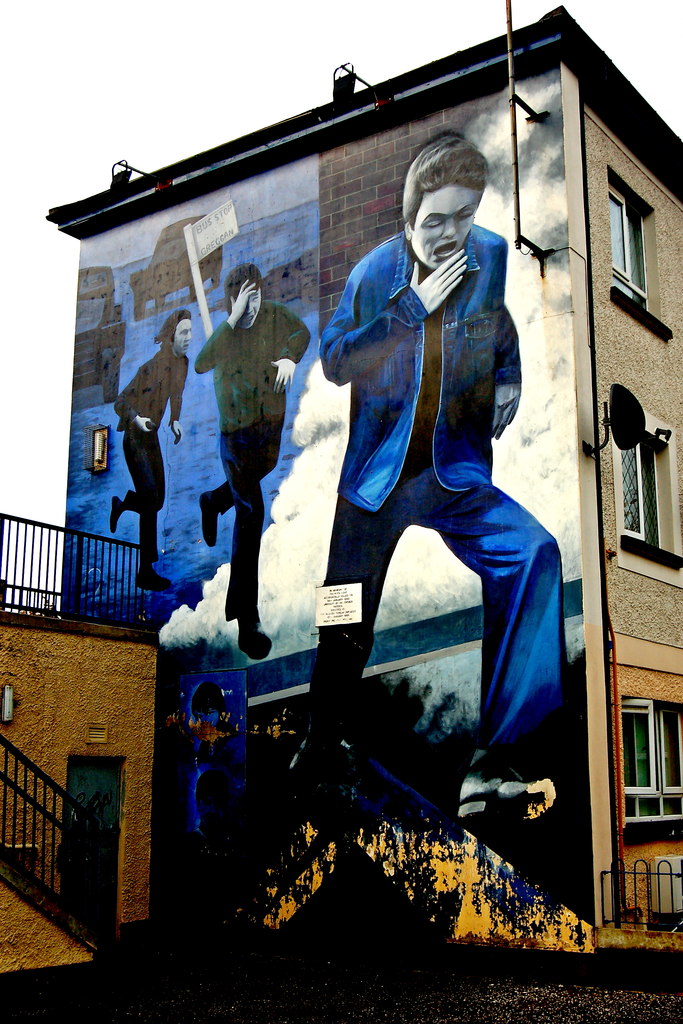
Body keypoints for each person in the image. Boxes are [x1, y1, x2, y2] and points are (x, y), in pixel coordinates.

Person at [297, 132, 566, 817]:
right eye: (434, 221)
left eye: (462, 216)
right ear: (407, 218)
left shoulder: (490, 257)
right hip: (376, 480)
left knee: (533, 553)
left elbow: (496, 324)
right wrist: (409, 310)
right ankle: (320, 744)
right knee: (343, 612)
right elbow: (333, 360)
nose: (450, 235)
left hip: (452, 471)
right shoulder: (372, 275)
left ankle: (492, 761)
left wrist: (508, 374)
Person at [195, 263, 310, 661]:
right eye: (246, 298)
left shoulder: (275, 315)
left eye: (257, 295)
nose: (254, 305)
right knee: (251, 512)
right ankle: (248, 619)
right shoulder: (226, 336)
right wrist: (232, 317)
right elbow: (201, 362)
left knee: (256, 481)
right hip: (235, 437)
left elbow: (302, 332)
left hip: (267, 434)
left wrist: (290, 358)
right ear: (232, 300)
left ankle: (212, 500)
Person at [110, 309, 191, 591]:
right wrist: (137, 419)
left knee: (155, 502)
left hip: (152, 437)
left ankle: (124, 504)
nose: (189, 338)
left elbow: (177, 393)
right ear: (171, 337)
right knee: (151, 501)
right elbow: (120, 402)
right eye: (184, 332)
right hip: (135, 436)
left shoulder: (183, 364)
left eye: (190, 332)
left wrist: (175, 419)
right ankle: (145, 571)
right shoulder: (149, 368)